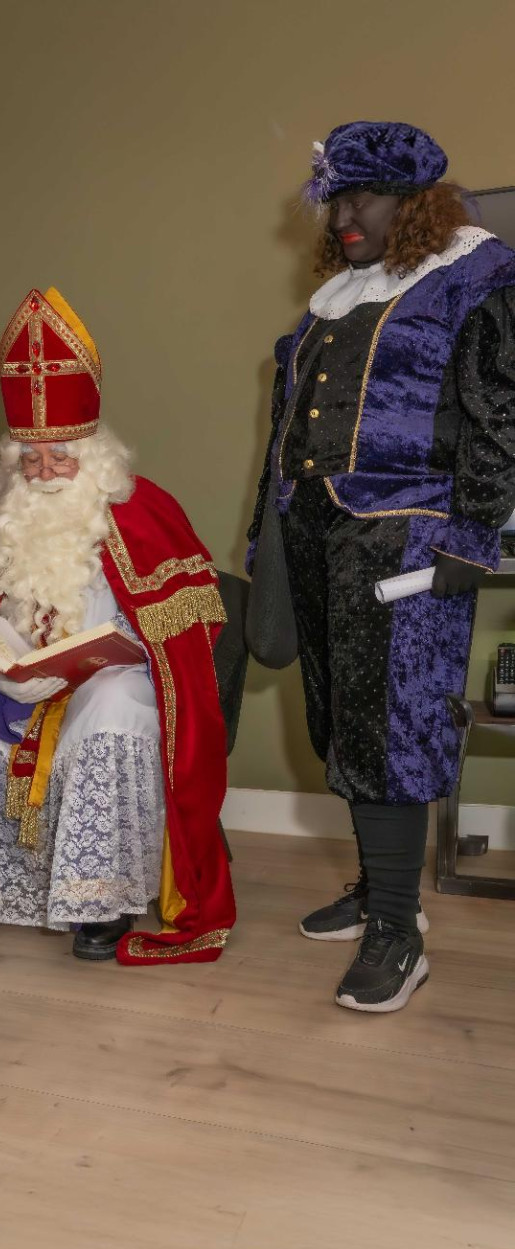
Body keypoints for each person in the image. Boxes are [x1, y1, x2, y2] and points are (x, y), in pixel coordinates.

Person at [247, 121, 515, 1012]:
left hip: (407, 537)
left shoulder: (476, 276)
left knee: (390, 730)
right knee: (338, 722)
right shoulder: (334, 299)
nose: (342, 218)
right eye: (335, 201)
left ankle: (399, 932)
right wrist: (264, 538)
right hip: (316, 533)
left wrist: (469, 539)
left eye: (360, 199)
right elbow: (284, 434)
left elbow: (501, 416)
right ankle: (378, 889)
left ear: (414, 202)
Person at [0, 287, 234, 963]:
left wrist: (129, 649)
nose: (46, 472)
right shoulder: (7, 523)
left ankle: (100, 902)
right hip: (26, 686)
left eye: (61, 456)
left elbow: (194, 625)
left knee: (107, 711)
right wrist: (3, 666)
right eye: (30, 459)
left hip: (117, 680)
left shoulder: (142, 509)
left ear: (95, 455)